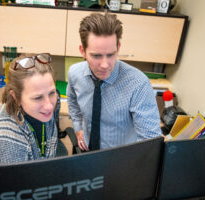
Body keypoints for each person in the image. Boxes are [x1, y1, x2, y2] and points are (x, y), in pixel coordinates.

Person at [67, 13, 162, 151]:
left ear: (118, 47)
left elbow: (150, 143)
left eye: (111, 54)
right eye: (96, 55)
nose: (105, 64)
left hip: (120, 160)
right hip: (87, 151)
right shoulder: (74, 73)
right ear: (82, 51)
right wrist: (78, 127)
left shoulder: (139, 84)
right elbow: (72, 101)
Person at [0, 53, 59, 166]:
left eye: (52, 93)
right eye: (38, 98)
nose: (49, 106)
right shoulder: (8, 144)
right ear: (16, 97)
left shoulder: (44, 107)